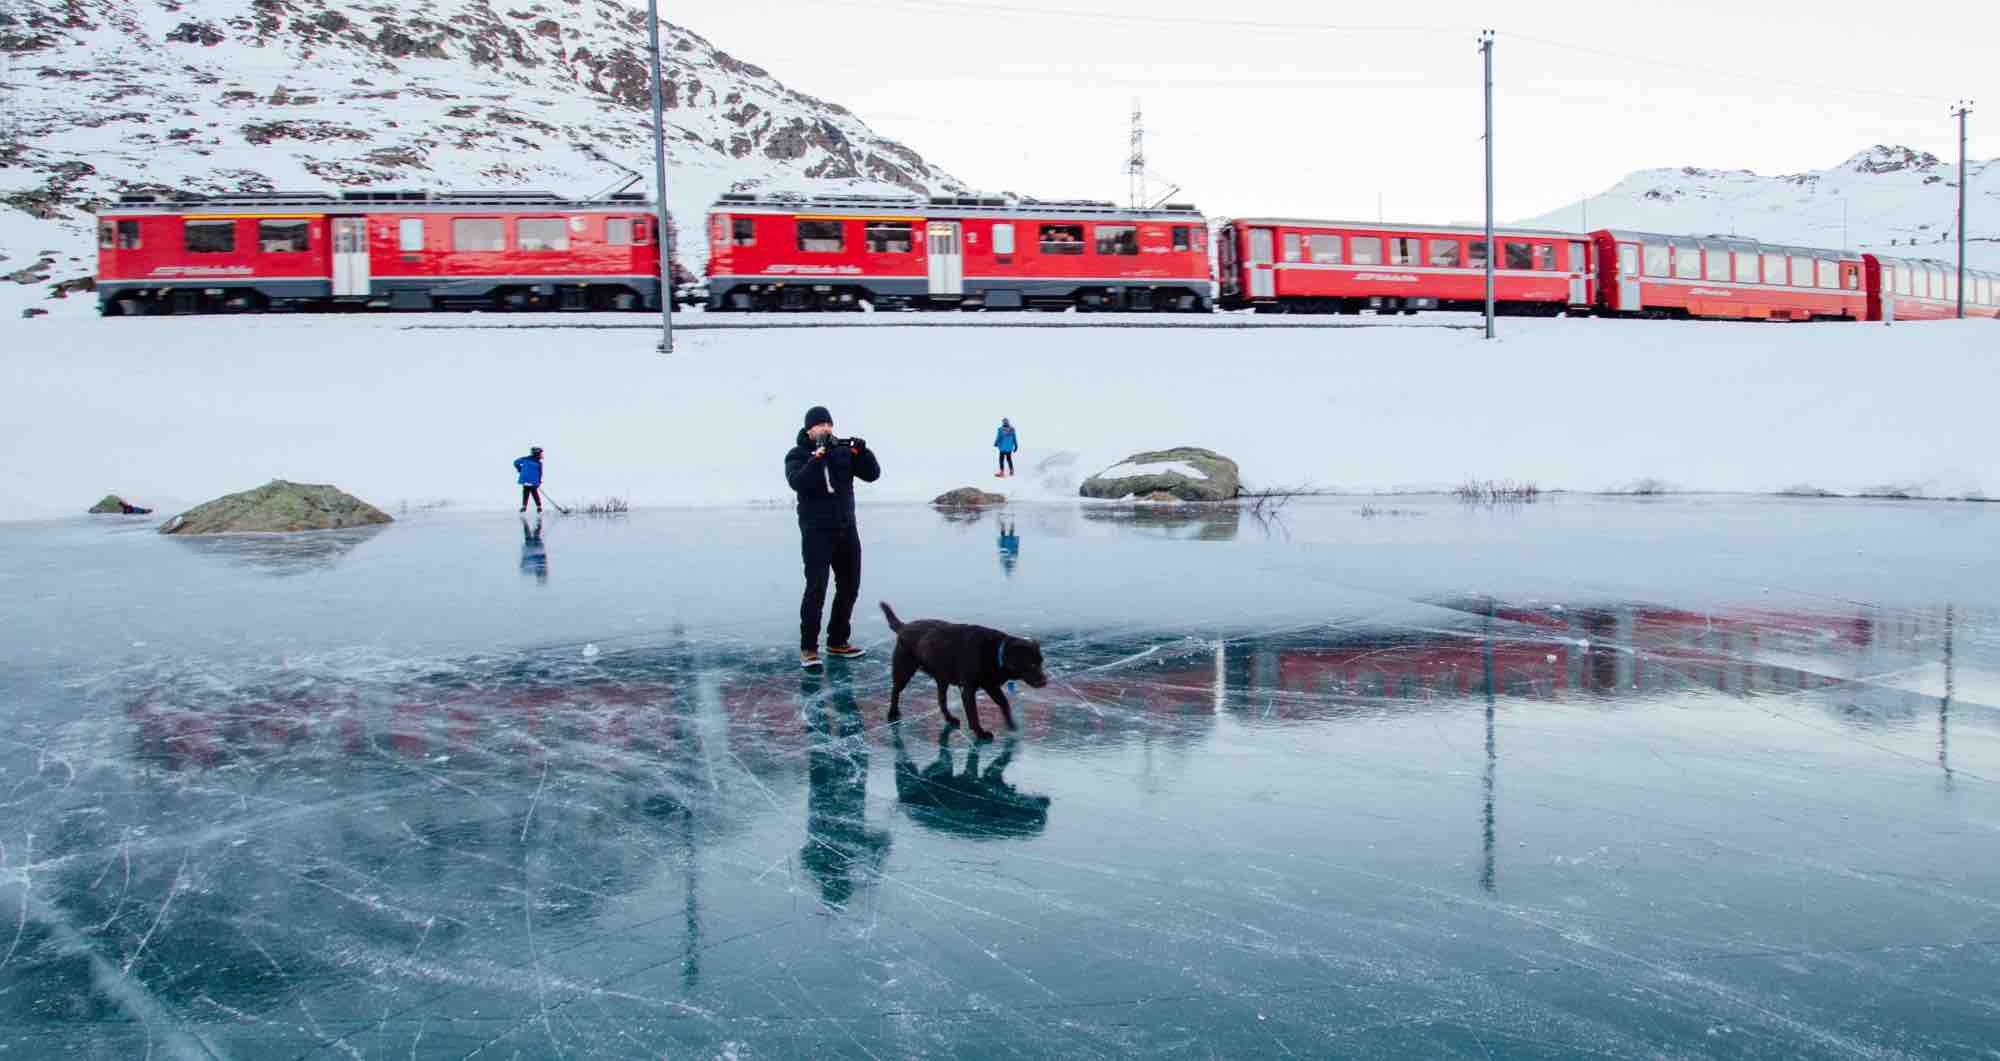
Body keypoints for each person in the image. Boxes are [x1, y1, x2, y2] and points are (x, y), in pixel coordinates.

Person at [784, 406, 881, 669]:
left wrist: (863, 452)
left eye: (828, 423)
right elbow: (799, 482)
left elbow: (872, 474)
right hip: (816, 532)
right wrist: (819, 455)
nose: (826, 428)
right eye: (820, 424)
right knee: (816, 588)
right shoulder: (797, 454)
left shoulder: (841, 451)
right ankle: (809, 648)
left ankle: (837, 641)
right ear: (809, 429)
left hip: (846, 529)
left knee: (850, 586)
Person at [514, 446, 544, 513]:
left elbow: (515, 462)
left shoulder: (525, 459)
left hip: (525, 480)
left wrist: (520, 469)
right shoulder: (539, 463)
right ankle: (539, 507)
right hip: (533, 482)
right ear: (537, 454)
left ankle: (524, 507)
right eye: (541, 453)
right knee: (534, 493)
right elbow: (540, 473)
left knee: (525, 492)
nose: (542, 455)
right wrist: (539, 482)